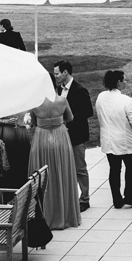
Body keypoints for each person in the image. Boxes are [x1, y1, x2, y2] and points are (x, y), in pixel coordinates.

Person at [28, 92, 80, 230]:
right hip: (60, 137)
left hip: (42, 139)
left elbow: (33, 122)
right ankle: (65, 215)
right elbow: (70, 117)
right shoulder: (62, 100)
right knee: (62, 174)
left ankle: (45, 214)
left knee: (41, 177)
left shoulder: (36, 101)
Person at [96, 70, 132, 210]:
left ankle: (116, 199)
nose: (126, 82)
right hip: (125, 141)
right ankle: (129, 195)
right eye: (124, 80)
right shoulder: (126, 100)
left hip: (109, 140)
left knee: (114, 170)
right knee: (130, 169)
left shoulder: (101, 97)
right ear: (118, 82)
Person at [54, 60, 93, 212]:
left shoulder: (80, 90)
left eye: (57, 73)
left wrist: (70, 118)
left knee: (80, 168)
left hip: (76, 135)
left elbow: (88, 112)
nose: (55, 76)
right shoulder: (58, 90)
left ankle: (84, 198)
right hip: (62, 135)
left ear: (65, 73)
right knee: (64, 167)